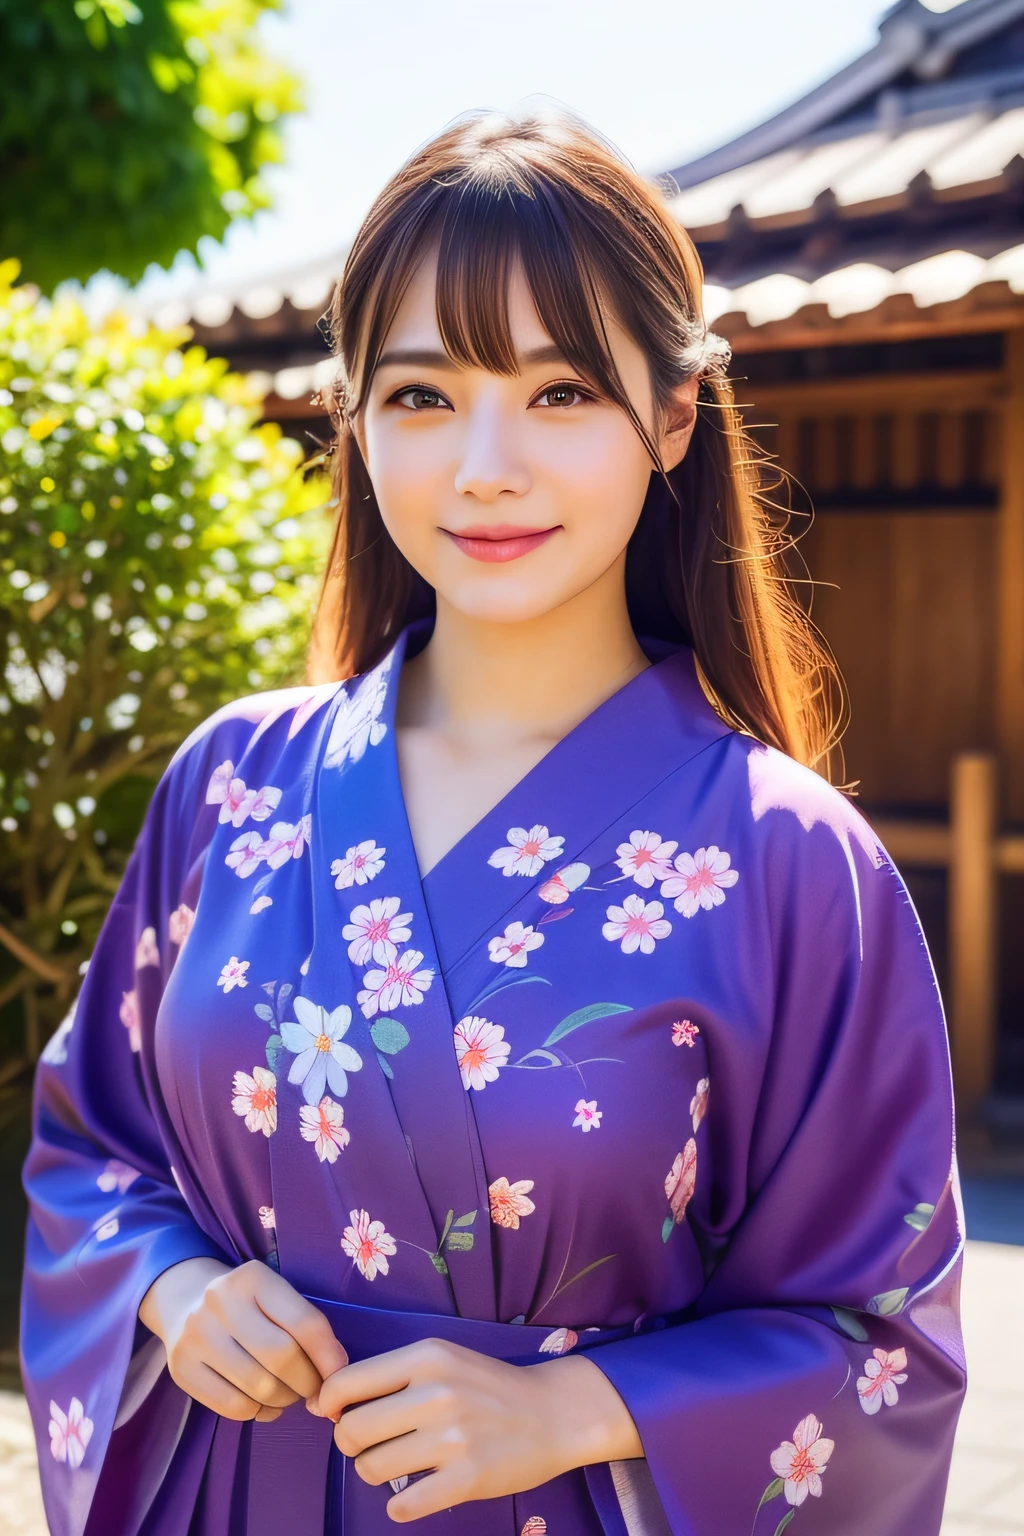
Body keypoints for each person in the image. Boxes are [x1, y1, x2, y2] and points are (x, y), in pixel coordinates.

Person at [21, 111, 966, 1536]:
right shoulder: (233, 782)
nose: (485, 465)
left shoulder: (787, 858)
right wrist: (173, 1288)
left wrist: (578, 1410)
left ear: (671, 417)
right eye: (419, 397)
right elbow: (89, 1148)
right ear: (354, 417)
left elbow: (883, 1334)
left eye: (561, 392)